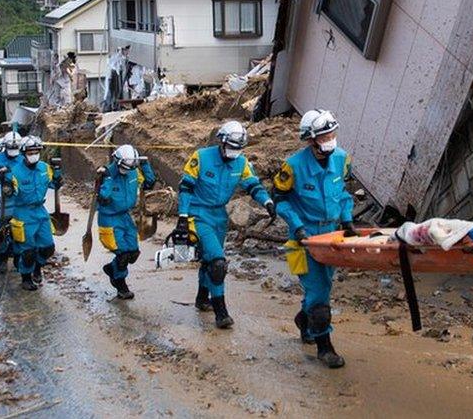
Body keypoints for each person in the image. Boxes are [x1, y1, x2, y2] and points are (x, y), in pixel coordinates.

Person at [272, 109, 356, 369]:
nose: (331, 138)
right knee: (319, 294)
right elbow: (280, 200)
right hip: (303, 239)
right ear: (310, 139)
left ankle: (303, 319)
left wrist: (348, 220)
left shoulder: (342, 159)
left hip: (332, 235)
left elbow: (343, 193)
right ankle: (325, 348)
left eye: (332, 133)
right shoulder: (293, 166)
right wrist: (297, 227)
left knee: (324, 286)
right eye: (324, 135)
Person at [172, 121, 275, 329]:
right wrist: (183, 216)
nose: (234, 152)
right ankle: (221, 312)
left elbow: (252, 185)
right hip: (198, 214)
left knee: (209, 261)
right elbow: (186, 187)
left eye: (239, 149)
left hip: (219, 216)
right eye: (231, 147)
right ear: (222, 142)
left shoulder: (241, 163)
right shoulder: (201, 157)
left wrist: (267, 201)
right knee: (218, 263)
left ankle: (202, 299)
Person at [0, 136, 63, 291]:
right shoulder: (14, 171)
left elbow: (54, 185)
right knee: (27, 250)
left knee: (48, 247)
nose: (34, 154)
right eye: (30, 151)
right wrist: (6, 183)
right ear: (23, 152)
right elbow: (9, 193)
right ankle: (26, 277)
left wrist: (57, 175)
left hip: (40, 211)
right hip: (23, 212)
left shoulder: (44, 168)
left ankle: (37, 267)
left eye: (36, 151)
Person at [96, 144, 156, 300]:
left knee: (133, 253)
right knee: (123, 254)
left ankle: (112, 268)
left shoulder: (133, 172)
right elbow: (103, 198)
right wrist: (108, 178)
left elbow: (149, 183)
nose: (127, 171)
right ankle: (120, 284)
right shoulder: (106, 175)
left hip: (125, 217)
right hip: (109, 217)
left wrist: (145, 165)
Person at [0, 131, 24, 273]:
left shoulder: (23, 160)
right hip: (0, 201)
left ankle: (16, 258)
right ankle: (2, 259)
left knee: (18, 231)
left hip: (17, 202)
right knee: (0, 230)